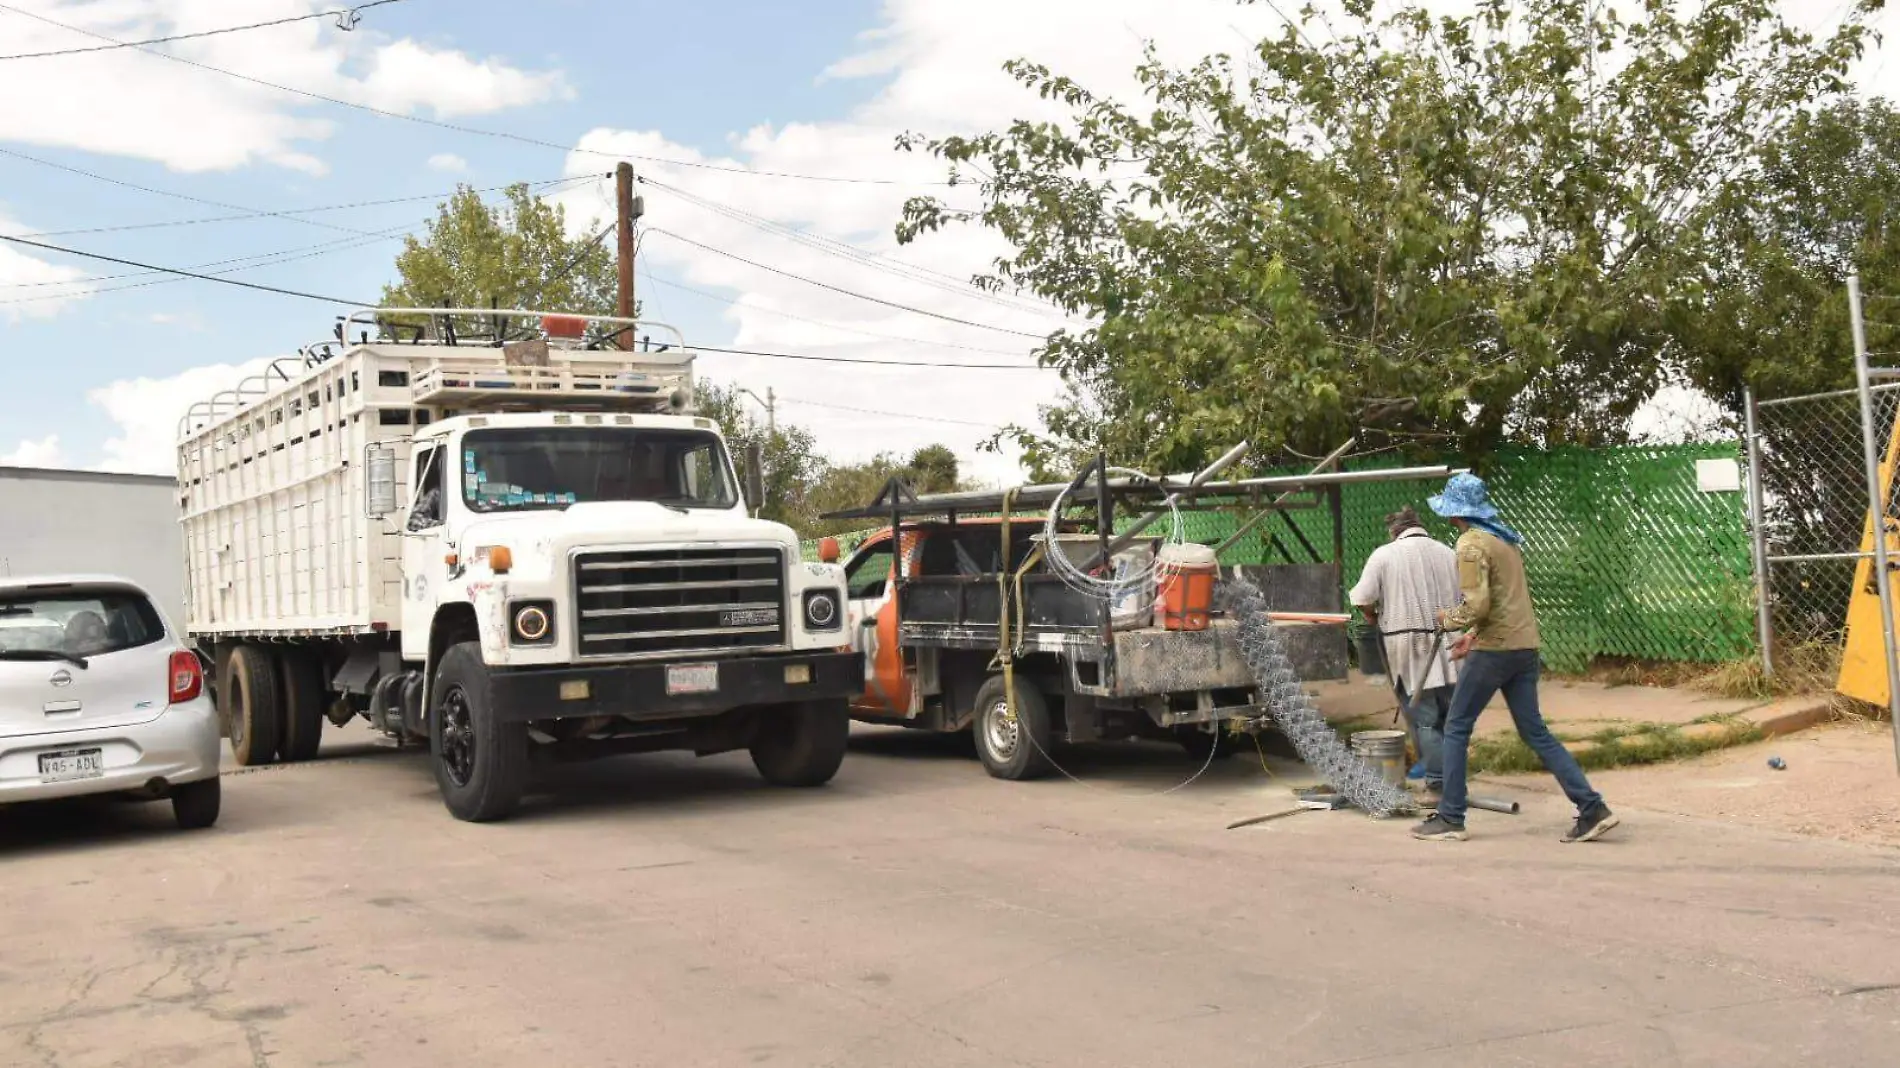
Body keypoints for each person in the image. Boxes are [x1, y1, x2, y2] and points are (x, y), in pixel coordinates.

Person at [1411, 473, 1618, 844]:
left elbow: (1478, 604)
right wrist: (1472, 638)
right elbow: (1505, 602)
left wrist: (1450, 620)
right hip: (1524, 648)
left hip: (1497, 651)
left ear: (1453, 512)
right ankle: (1592, 808)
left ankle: (1451, 817)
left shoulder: (1470, 544)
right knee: (1534, 730)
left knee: (1456, 727)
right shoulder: (1503, 540)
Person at [1348, 506, 1461, 804]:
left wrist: (1372, 615)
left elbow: (1362, 597)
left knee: (1425, 720)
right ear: (1419, 526)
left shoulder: (1384, 555)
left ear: (1394, 531)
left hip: (1409, 647)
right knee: (1451, 719)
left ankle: (1438, 785)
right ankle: (1454, 780)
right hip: (1452, 643)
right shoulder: (1448, 553)